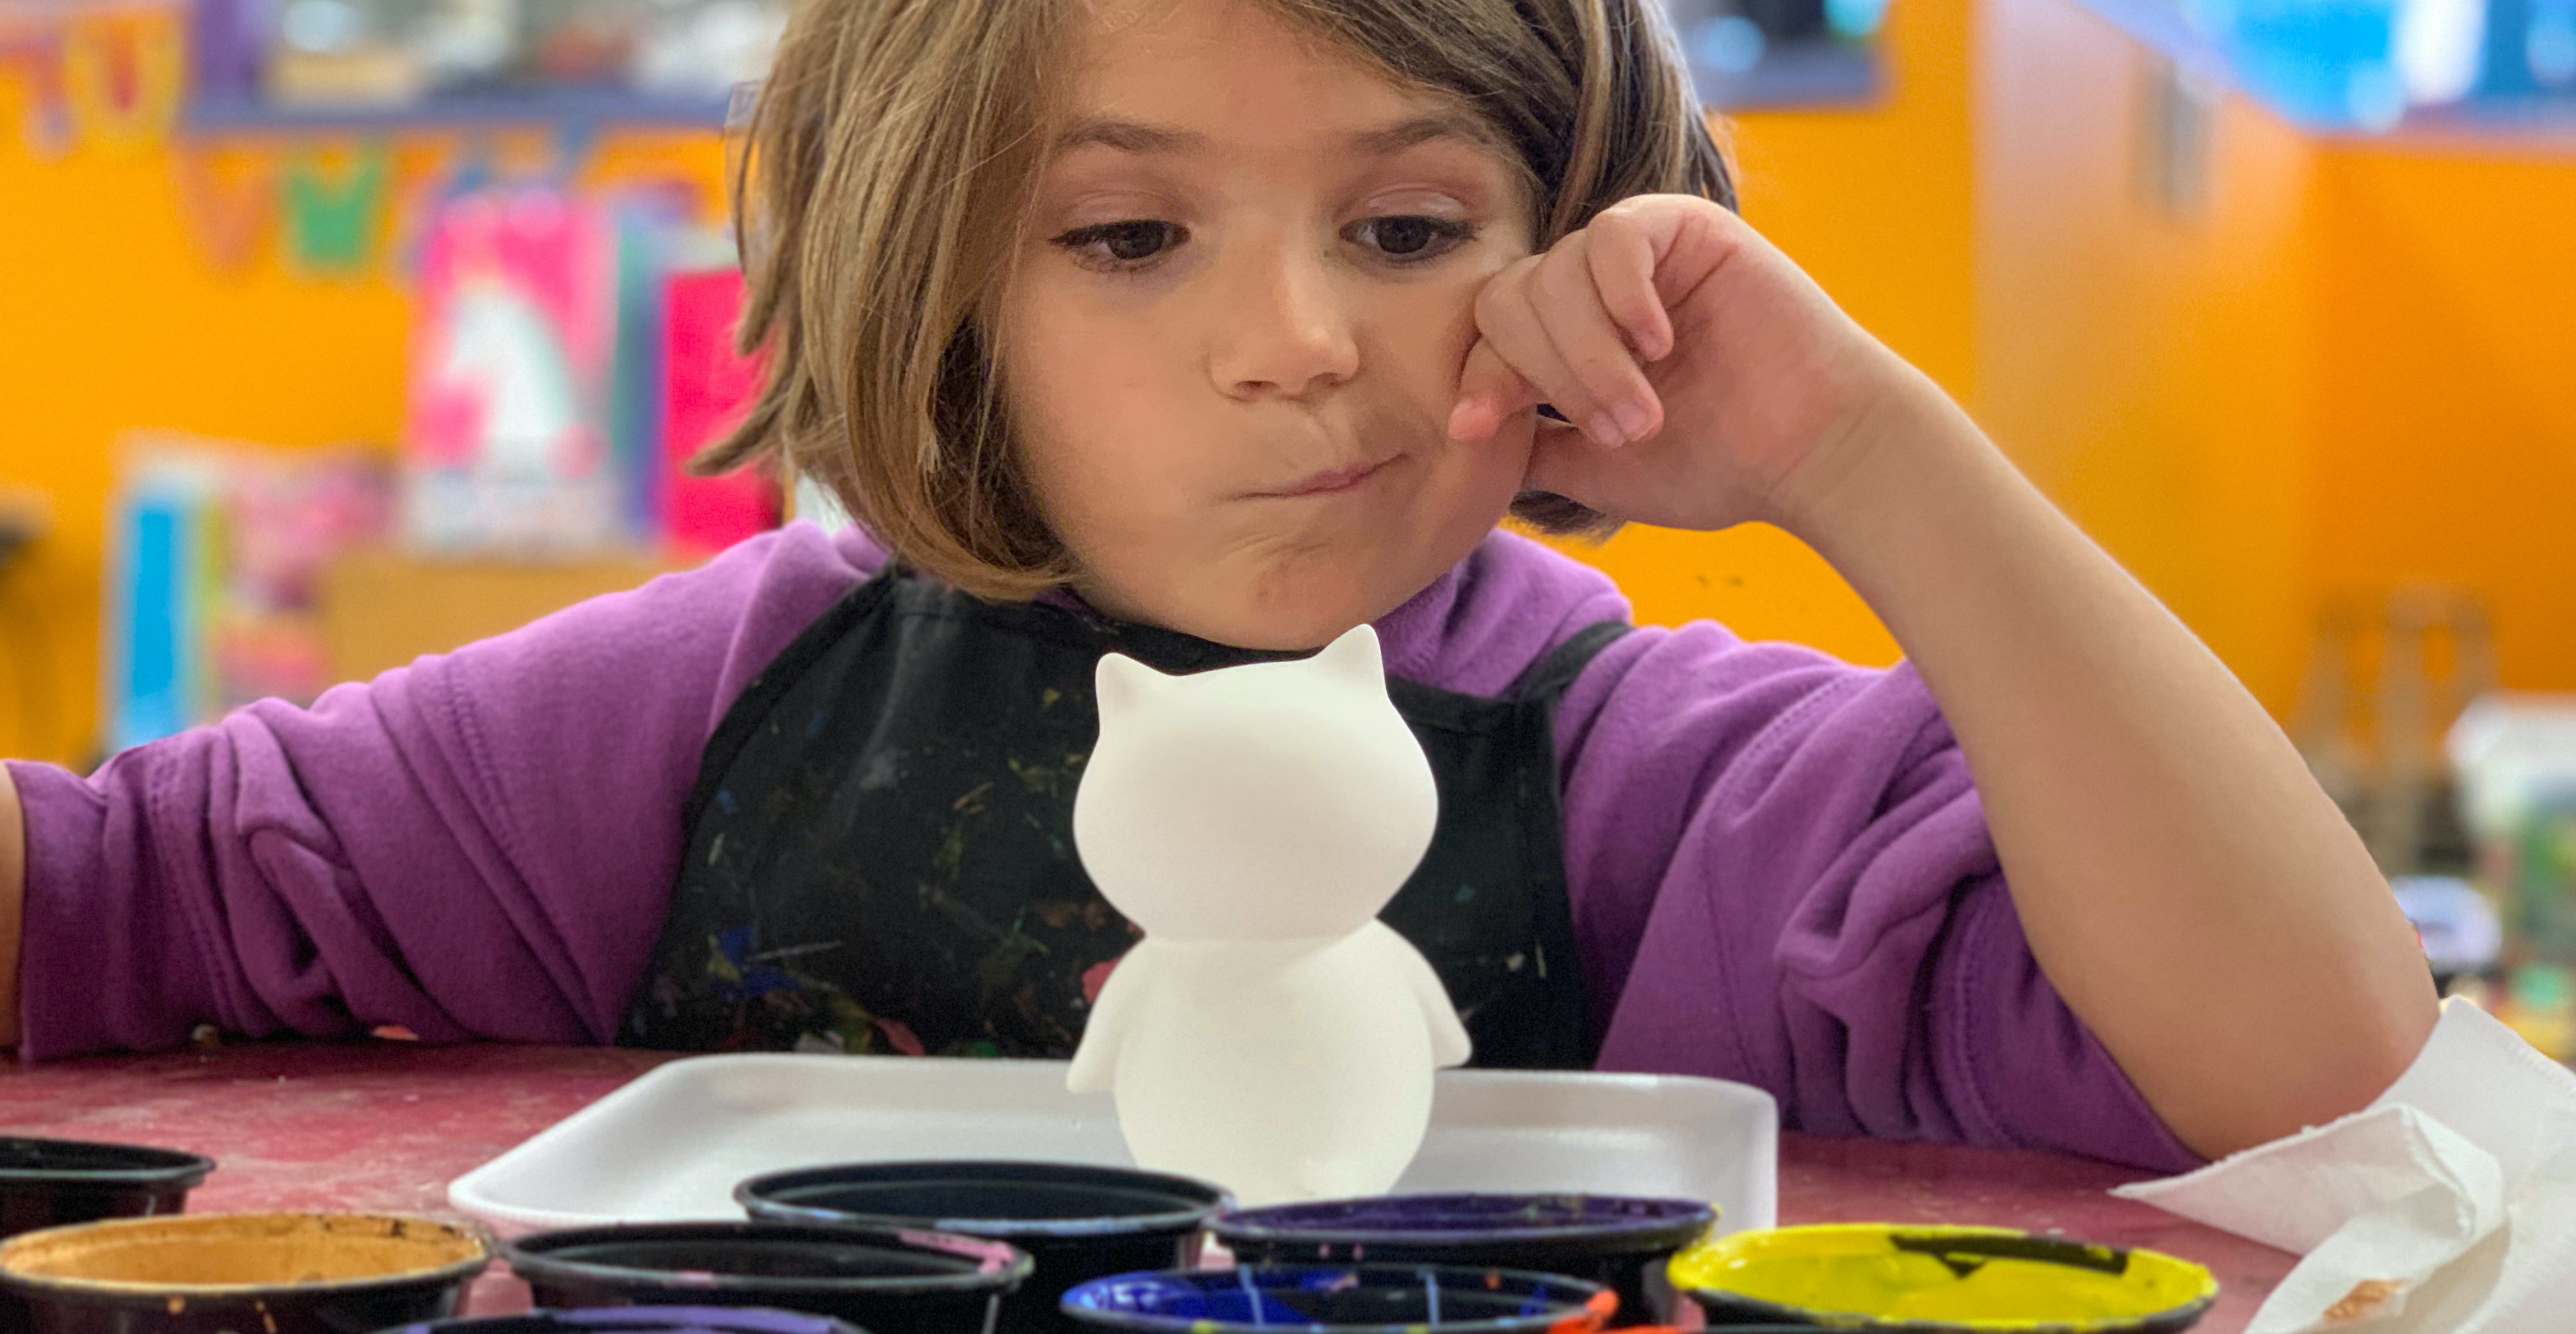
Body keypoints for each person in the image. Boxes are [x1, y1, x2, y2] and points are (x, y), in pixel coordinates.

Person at [0, 0, 2435, 1171]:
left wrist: (1861, 448)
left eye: (1411, 226)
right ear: (949, 288)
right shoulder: (689, 721)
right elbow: (106, 894)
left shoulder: (1668, 787)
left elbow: (2317, 1064)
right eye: (1128, 236)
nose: (1297, 343)